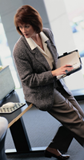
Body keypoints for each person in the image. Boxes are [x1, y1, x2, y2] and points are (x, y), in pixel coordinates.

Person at [13, 5, 84, 160]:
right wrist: (53, 73)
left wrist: (65, 66)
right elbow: (28, 80)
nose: (23, 30)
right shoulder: (20, 49)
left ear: (35, 23)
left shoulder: (47, 33)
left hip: (56, 83)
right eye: (20, 27)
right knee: (76, 120)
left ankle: (54, 148)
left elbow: (53, 58)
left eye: (27, 25)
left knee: (79, 116)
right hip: (40, 91)